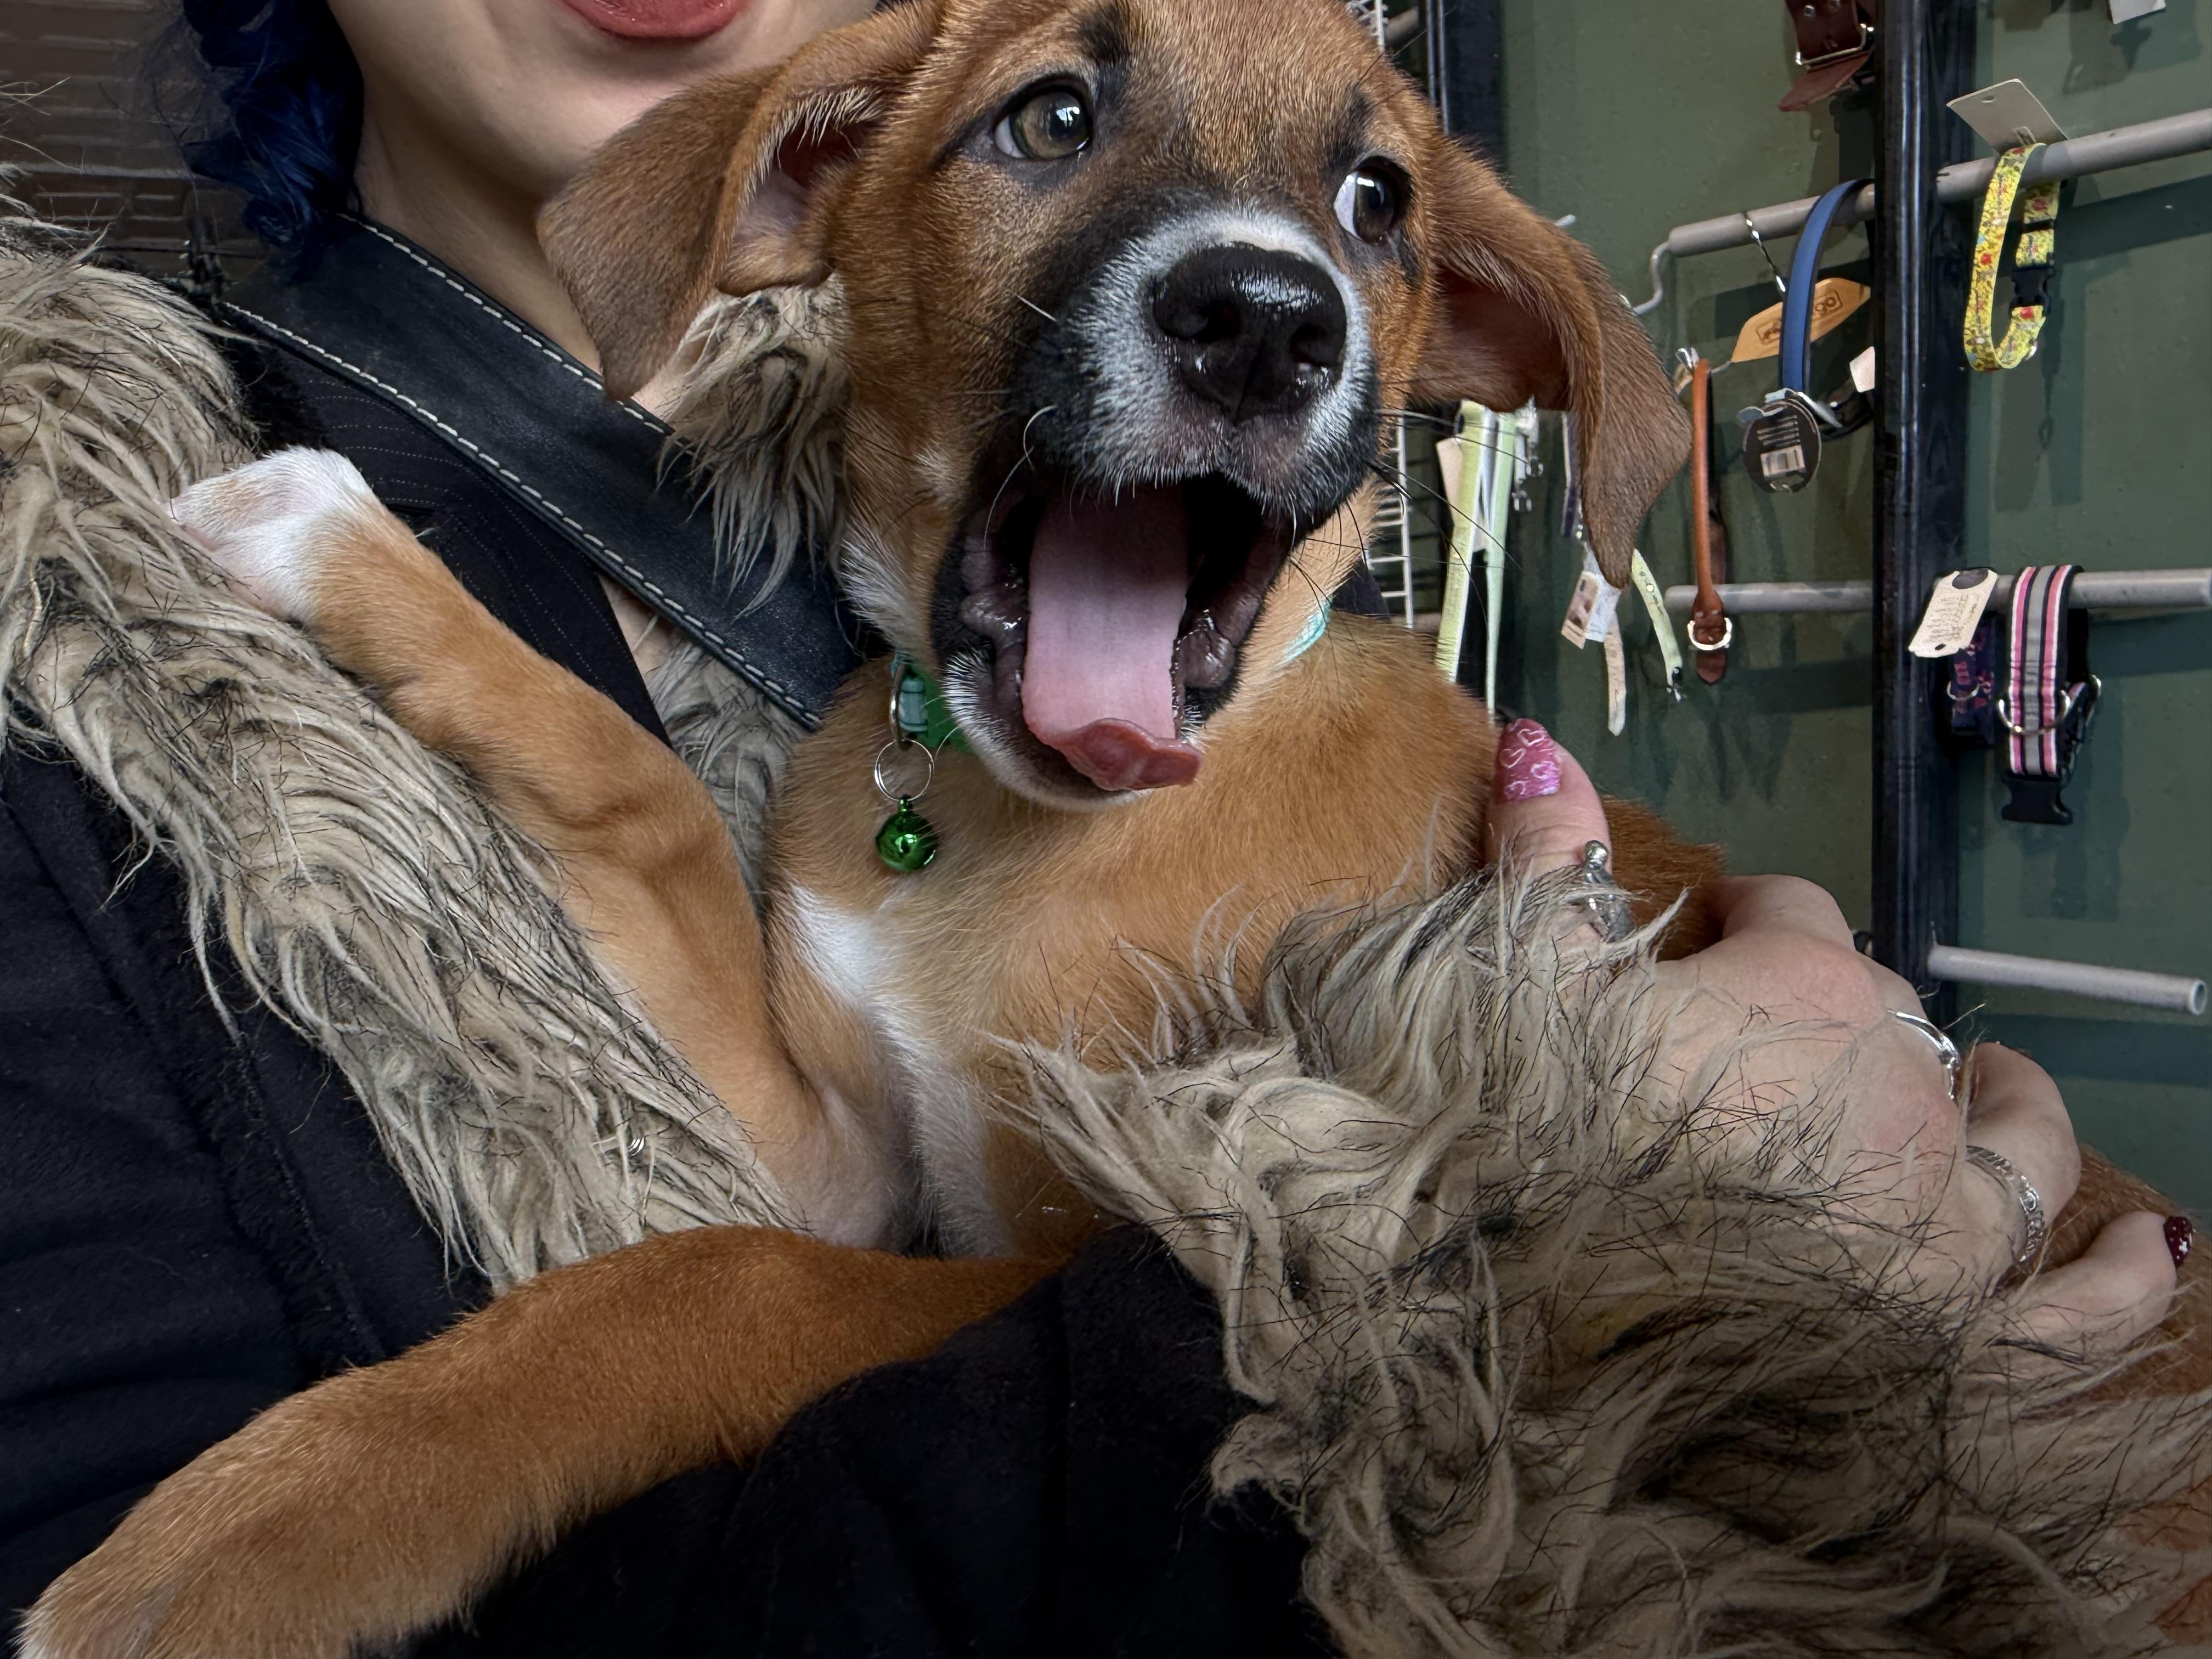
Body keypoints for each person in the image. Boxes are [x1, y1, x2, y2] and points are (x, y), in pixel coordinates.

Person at [0, 0, 2198, 1651]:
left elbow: (842, 1212)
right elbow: (925, 1232)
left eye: (1366, 213)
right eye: (1058, 115)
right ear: (809, 181)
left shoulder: (1277, 757)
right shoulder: (68, 620)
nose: (1263, 271)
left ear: (1467, 330)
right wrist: (1514, 1301)